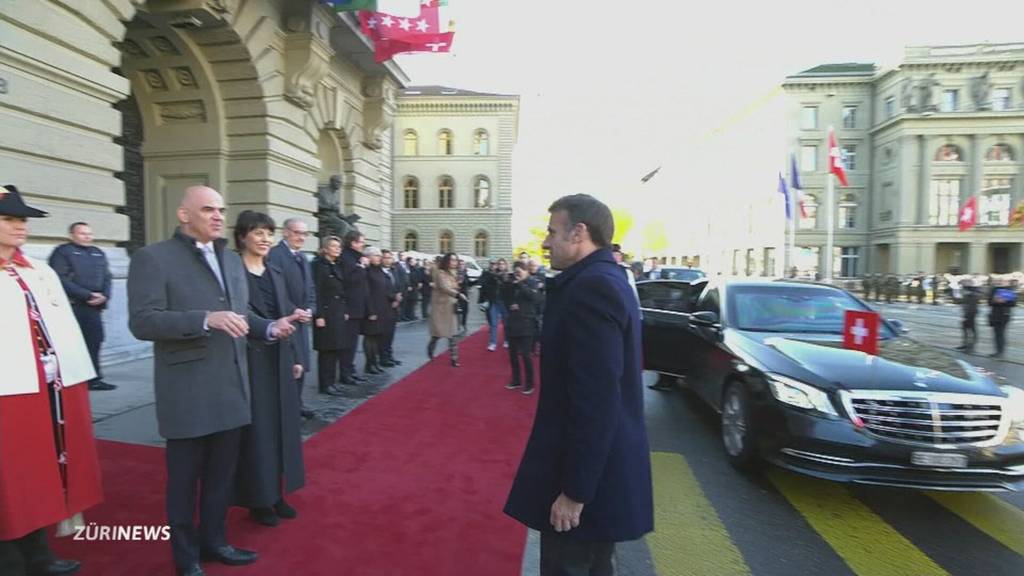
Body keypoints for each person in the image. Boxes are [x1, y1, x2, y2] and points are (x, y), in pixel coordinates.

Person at [127, 186, 295, 576]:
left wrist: (270, 327)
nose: (219, 216)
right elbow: (142, 321)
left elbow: (240, 314)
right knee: (184, 484)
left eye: (221, 209)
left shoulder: (232, 261)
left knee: (221, 478)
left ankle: (215, 542)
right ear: (184, 215)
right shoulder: (153, 258)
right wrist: (203, 319)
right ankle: (185, 557)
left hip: (233, 389)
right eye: (208, 209)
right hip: (187, 392)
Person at [505, 194, 653, 576]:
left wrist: (575, 491)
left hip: (585, 483)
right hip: (594, 474)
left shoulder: (591, 288)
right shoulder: (602, 279)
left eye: (552, 232)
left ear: (579, 233)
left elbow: (597, 400)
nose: (545, 242)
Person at [1, 185, 103, 576]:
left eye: (21, 219)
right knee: (9, 478)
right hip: (6, 391)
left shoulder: (38, 269)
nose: (19, 226)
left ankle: (39, 557)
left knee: (40, 472)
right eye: (9, 219)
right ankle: (10, 562)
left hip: (46, 388)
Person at [231, 211, 306, 528]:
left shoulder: (275, 271)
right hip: (249, 361)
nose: (264, 238)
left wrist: (296, 357)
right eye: (257, 232)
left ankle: (276, 495)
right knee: (257, 433)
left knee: (280, 429)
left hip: (278, 358)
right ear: (243, 236)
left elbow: (286, 314)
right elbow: (239, 314)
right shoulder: (231, 270)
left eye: (268, 233)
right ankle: (257, 501)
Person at [48, 221, 116, 391]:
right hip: (74, 305)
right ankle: (71, 379)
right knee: (73, 344)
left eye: (89, 233)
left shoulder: (98, 253)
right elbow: (60, 279)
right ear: (72, 236)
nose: (87, 236)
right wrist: (87, 295)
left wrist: (104, 296)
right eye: (82, 233)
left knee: (95, 341)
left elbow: (107, 277)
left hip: (94, 307)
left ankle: (93, 379)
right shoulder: (63, 252)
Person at [268, 218, 315, 419]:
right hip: (285, 319)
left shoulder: (303, 258)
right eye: (297, 233)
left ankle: (297, 402)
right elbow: (276, 289)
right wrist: (294, 310)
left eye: (305, 234)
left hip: (302, 320)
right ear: (285, 232)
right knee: (289, 364)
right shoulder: (275, 255)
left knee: (302, 362)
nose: (301, 237)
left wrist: (311, 309)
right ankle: (287, 405)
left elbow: (311, 288)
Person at [311, 236, 347, 397]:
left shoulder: (337, 265)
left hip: (337, 312)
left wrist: (344, 310)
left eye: (338, 246)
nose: (337, 249)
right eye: (333, 246)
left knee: (336, 348)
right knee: (326, 350)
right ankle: (325, 384)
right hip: (325, 313)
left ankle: (332, 381)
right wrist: (319, 315)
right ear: (325, 248)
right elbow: (316, 292)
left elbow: (341, 290)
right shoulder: (319, 266)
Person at [338, 230, 369, 385]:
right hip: (349, 307)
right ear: (353, 243)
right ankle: (345, 372)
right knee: (348, 343)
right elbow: (349, 280)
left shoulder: (354, 257)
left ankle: (350, 369)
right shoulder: (346, 257)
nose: (363, 245)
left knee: (353, 343)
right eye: (361, 242)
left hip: (357, 306)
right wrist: (362, 267)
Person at [504, 261, 540, 394]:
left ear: (526, 271)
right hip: (513, 321)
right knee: (512, 354)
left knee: (525, 354)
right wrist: (511, 304)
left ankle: (530, 383)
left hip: (527, 322)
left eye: (519, 272)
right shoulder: (512, 282)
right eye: (515, 272)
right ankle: (516, 380)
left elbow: (534, 297)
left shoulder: (532, 282)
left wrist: (520, 283)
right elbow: (505, 296)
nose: (517, 274)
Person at [427, 253, 468, 367]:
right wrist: (458, 294)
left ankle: (454, 358)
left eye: (456, 260)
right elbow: (445, 287)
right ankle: (430, 350)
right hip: (441, 307)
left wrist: (458, 285)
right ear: (447, 261)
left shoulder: (454, 272)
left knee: (453, 334)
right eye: (452, 260)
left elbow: (455, 286)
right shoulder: (441, 273)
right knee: (437, 334)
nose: (454, 262)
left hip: (451, 306)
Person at [362, 246, 388, 375]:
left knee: (377, 337)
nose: (379, 257)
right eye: (376, 255)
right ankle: (369, 363)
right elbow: (365, 292)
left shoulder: (379, 270)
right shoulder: (367, 271)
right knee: (370, 337)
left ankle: (375, 362)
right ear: (368, 257)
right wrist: (370, 311)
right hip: (371, 308)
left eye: (379, 255)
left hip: (381, 307)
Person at [379, 249, 402, 367]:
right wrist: (393, 298)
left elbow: (398, 286)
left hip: (394, 307)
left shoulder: (394, 271)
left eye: (389, 257)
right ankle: (383, 357)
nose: (388, 260)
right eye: (385, 257)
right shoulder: (379, 272)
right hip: (384, 306)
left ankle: (389, 355)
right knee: (384, 334)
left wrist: (399, 297)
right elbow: (382, 289)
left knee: (391, 333)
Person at [486, 258, 511, 351]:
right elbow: (487, 286)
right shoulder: (492, 275)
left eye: (503, 264)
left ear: (506, 265)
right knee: (493, 323)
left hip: (504, 302)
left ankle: (507, 340)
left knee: (506, 323)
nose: (501, 266)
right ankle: (492, 343)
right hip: (494, 301)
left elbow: (510, 289)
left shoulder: (508, 276)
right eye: (499, 264)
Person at [988, 280, 1017, 358]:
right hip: (995, 315)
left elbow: (1013, 303)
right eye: (1000, 281)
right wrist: (995, 301)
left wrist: (1003, 301)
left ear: (1007, 282)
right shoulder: (994, 290)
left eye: (1004, 281)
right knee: (996, 334)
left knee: (1001, 334)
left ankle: (1001, 352)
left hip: (1004, 315)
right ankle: (997, 351)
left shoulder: (1010, 290)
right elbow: (989, 302)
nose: (1001, 282)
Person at [956, 278, 979, 353]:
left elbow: (972, 305)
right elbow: (963, 301)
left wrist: (967, 316)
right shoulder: (965, 290)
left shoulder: (973, 291)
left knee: (972, 330)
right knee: (965, 329)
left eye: (963, 283)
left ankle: (971, 347)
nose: (962, 285)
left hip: (971, 313)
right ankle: (965, 344)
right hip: (965, 312)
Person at [456, 258, 470, 333]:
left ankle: (464, 324)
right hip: (458, 294)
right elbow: (457, 284)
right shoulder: (457, 274)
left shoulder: (465, 273)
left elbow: (468, 283)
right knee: (458, 311)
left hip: (465, 294)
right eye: (460, 264)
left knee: (466, 310)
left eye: (463, 264)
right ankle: (458, 326)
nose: (462, 266)